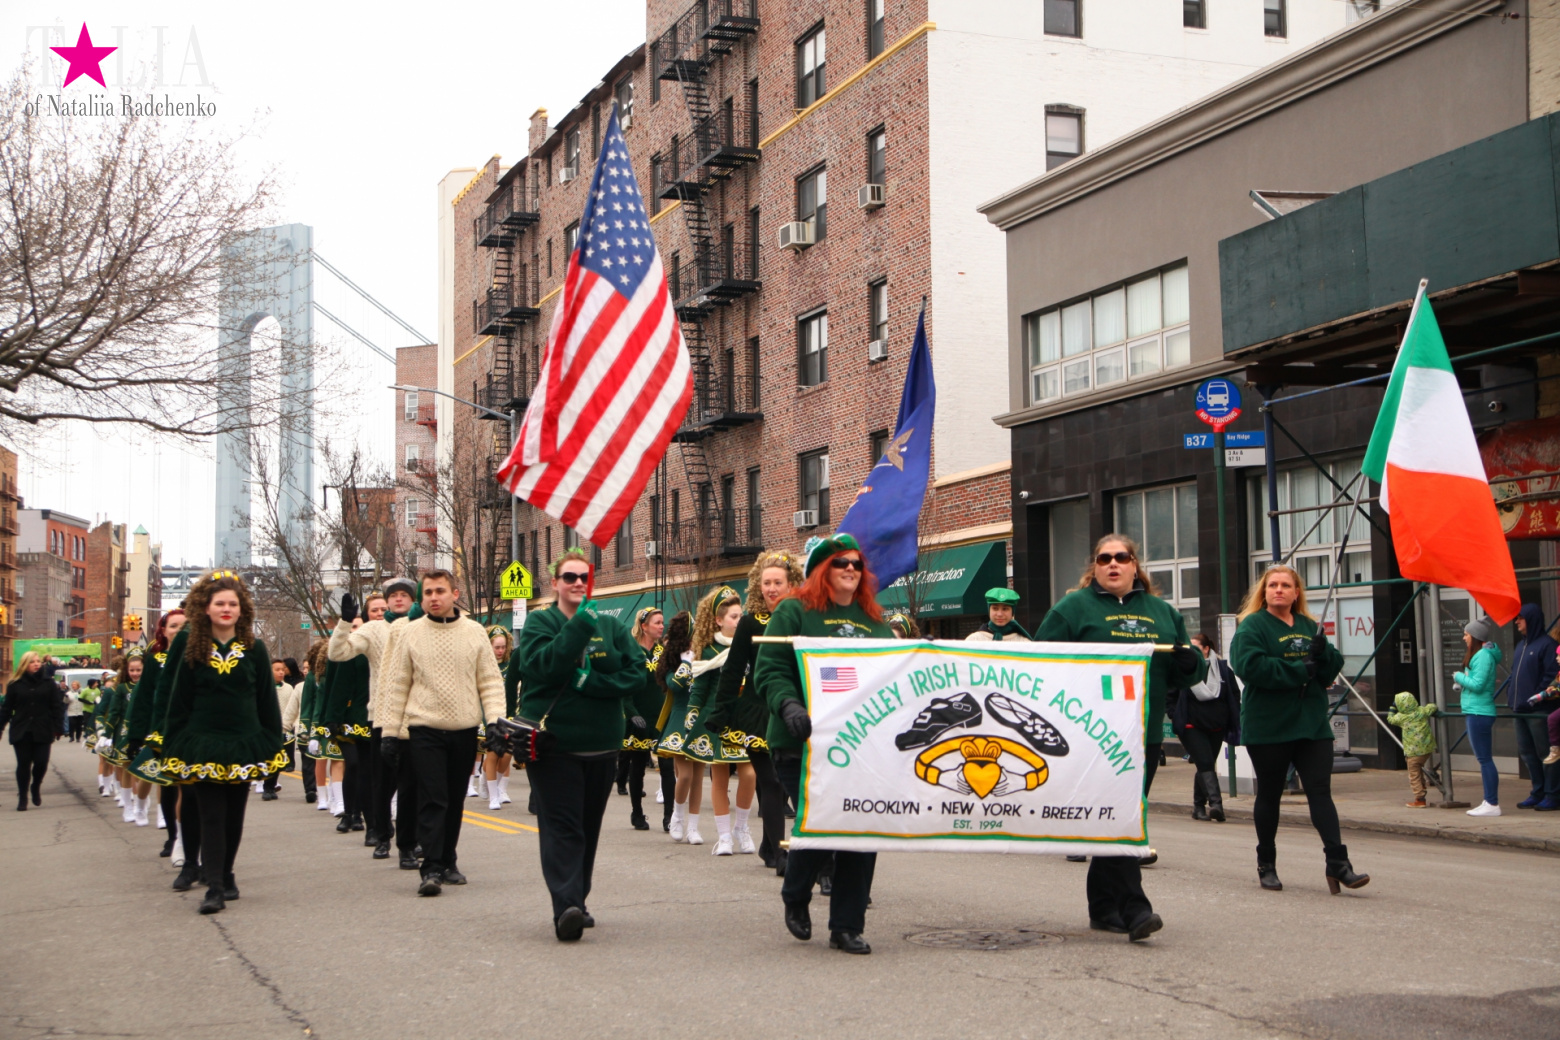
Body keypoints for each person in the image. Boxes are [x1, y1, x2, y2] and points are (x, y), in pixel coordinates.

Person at [1035, 534, 1202, 939]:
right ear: (1094, 567)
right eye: (1104, 558)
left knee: (1114, 817)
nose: (1113, 564)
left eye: (1121, 557)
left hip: (1142, 734)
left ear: (1134, 564)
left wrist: (1189, 660)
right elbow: (1039, 662)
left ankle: (1103, 907)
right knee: (1121, 817)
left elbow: (1190, 675)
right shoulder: (1072, 608)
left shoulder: (1162, 612)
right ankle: (1135, 908)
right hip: (1091, 734)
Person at [755, 533, 895, 956]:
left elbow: (896, 677)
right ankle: (796, 893)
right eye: (840, 563)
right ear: (822, 570)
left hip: (862, 748)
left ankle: (847, 925)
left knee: (861, 827)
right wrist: (790, 706)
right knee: (825, 824)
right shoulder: (794, 613)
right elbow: (769, 671)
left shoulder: (875, 622)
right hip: (802, 744)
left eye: (856, 563)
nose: (851, 569)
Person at [516, 550, 645, 940]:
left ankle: (578, 899)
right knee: (563, 828)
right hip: (555, 747)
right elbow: (545, 666)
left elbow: (636, 672)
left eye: (583, 578)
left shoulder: (612, 627)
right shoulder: (541, 622)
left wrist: (594, 684)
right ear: (554, 583)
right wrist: (581, 624)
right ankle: (566, 906)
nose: (576, 583)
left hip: (603, 744)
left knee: (587, 828)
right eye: (569, 577)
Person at [1230, 564, 1366, 895]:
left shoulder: (1309, 626)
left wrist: (1325, 655)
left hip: (1311, 723)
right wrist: (1298, 668)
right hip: (1269, 724)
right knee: (1270, 793)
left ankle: (1338, 863)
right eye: (1272, 585)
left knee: (1320, 791)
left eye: (1285, 585)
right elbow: (1249, 666)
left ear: (1296, 592)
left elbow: (1329, 670)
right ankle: (1267, 863)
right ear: (1264, 592)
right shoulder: (1252, 627)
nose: (1278, 590)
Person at [158, 570, 288, 914]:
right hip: (203, 743)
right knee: (211, 814)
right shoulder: (190, 646)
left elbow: (265, 701)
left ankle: (227, 872)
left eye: (233, 603)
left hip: (244, 742)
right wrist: (170, 741)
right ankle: (213, 886)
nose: (226, 609)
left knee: (234, 815)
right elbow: (178, 699)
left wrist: (274, 742)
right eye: (220, 603)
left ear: (242, 608)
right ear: (206, 608)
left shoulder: (256, 648)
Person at [378, 569, 505, 897]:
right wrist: (390, 732)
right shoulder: (410, 633)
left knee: (453, 799)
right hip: (423, 728)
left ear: (454, 594)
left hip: (463, 728)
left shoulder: (475, 632)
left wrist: (495, 722)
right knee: (432, 798)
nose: (433, 597)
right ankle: (431, 867)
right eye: (428, 592)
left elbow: (490, 681)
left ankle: (449, 860)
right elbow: (396, 685)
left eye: (439, 591)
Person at [706, 551, 805, 873]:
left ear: (792, 584)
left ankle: (768, 845)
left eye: (778, 582)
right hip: (756, 713)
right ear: (757, 586)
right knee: (771, 781)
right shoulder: (750, 622)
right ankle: (778, 852)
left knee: (788, 784)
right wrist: (719, 712)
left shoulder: (803, 618)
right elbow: (733, 670)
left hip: (795, 710)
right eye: (766, 583)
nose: (772, 589)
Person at [330, 581, 416, 861]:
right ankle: (381, 836)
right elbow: (338, 653)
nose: (398, 600)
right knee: (382, 783)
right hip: (382, 716)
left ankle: (411, 841)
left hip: (418, 716)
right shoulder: (373, 629)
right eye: (394, 596)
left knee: (413, 786)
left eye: (404, 595)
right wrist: (344, 623)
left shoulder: (424, 625)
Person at [684, 586, 759, 857]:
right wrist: (693, 712)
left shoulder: (751, 643)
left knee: (750, 773)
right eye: (734, 617)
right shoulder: (706, 649)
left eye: (741, 615)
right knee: (719, 777)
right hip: (717, 717)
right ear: (719, 620)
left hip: (745, 717)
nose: (740, 621)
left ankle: (742, 827)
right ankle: (724, 836)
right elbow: (700, 687)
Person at [125, 610, 187, 839]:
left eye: (184, 626)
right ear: (163, 630)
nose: (179, 631)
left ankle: (184, 839)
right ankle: (172, 836)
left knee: (186, 787)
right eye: (173, 626)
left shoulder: (197, 657)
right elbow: (142, 699)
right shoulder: (155, 659)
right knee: (166, 784)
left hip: (189, 731)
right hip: (161, 731)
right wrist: (135, 736)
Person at [1171, 633, 1241, 823]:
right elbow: (1170, 696)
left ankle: (1198, 806)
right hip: (1191, 725)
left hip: (1216, 725)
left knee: (1205, 764)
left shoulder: (1222, 670)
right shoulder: (1182, 669)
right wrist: (1175, 715)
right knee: (1205, 762)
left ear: (1206, 649)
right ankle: (1216, 805)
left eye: (1196, 648)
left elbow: (1234, 694)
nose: (1192, 652)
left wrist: (1226, 716)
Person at [1508, 605, 1559, 810]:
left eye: (1520, 618)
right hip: (1519, 709)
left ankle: (1552, 794)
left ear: (1531, 619)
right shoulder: (1521, 646)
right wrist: (1511, 695)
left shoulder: (1547, 645)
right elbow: (1514, 674)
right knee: (1527, 753)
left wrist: (1535, 698)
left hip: (1538, 710)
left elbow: (1550, 677)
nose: (1517, 622)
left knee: (1545, 752)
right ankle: (1537, 791)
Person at [1, 652, 66, 810]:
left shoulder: (48, 683)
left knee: (41, 763)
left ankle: (35, 786)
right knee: (23, 764)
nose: (37, 664)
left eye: (38, 661)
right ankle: (23, 796)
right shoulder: (15, 684)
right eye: (32, 662)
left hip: (43, 728)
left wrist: (58, 727)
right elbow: (7, 709)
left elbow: (56, 706)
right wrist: (1, 726)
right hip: (22, 729)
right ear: (25, 664)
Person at [620, 607, 664, 830]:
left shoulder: (663, 652)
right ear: (644, 626)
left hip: (660, 715)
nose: (661, 626)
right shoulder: (630, 652)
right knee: (637, 766)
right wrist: (632, 713)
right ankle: (637, 812)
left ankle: (670, 816)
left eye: (662, 622)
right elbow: (624, 688)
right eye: (657, 622)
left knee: (667, 764)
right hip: (638, 715)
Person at [1454, 615, 1502, 818]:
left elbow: (1478, 684)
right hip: (1477, 711)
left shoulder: (1482, 656)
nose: (1464, 638)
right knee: (1484, 759)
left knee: (1484, 759)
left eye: (1466, 634)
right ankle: (1489, 800)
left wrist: (1458, 676)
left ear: (1474, 636)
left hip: (1479, 712)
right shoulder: (1481, 655)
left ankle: (1492, 802)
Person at [652, 613, 693, 833]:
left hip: (699, 720)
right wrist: (686, 662)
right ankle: (676, 815)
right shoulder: (671, 661)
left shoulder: (703, 656)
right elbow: (675, 685)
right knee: (685, 775)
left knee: (694, 779)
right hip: (678, 719)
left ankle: (693, 826)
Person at [481, 625, 517, 811]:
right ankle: (494, 796)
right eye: (497, 647)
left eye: (504, 647)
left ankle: (489, 781)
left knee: (507, 754)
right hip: (490, 715)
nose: (501, 651)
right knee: (493, 753)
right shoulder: (483, 665)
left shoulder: (512, 665)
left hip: (509, 714)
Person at [1387, 691, 1438, 808]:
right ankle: (1422, 785)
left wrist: (1392, 707)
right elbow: (1432, 707)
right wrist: (1428, 706)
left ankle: (1420, 798)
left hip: (1413, 752)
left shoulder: (1401, 717)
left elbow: (1390, 719)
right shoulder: (1421, 712)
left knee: (1413, 774)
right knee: (1418, 767)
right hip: (1427, 749)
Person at [268, 659, 302, 802]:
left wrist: (292, 724)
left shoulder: (289, 688)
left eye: (282, 669)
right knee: (269, 756)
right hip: (267, 727)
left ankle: (272, 783)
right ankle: (266, 786)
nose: (281, 672)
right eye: (277, 669)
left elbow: (293, 708)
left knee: (281, 757)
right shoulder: (265, 687)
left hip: (285, 727)